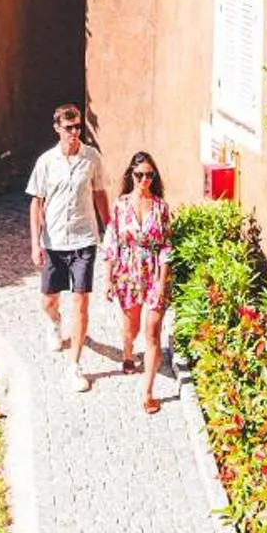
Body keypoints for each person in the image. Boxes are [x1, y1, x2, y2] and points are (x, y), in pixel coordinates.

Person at [26, 103, 108, 392]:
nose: (74, 133)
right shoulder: (46, 162)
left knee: (81, 302)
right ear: (57, 129)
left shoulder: (92, 157)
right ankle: (54, 322)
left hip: (84, 240)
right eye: (69, 128)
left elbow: (99, 193)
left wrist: (109, 229)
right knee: (48, 300)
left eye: (78, 127)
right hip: (54, 241)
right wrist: (35, 243)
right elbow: (36, 203)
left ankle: (74, 365)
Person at [104, 151, 172, 415]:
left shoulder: (161, 207)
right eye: (139, 175)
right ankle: (128, 352)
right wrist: (108, 278)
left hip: (154, 275)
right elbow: (112, 243)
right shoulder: (121, 205)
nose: (145, 180)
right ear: (131, 175)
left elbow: (166, 247)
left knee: (152, 332)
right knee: (130, 329)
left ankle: (148, 392)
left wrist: (162, 282)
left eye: (149, 175)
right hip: (128, 273)